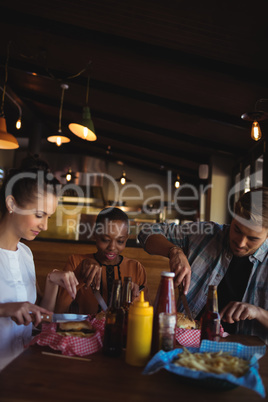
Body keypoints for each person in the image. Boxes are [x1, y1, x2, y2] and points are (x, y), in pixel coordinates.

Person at [138, 187, 268, 344]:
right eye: (237, 229)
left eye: (252, 238)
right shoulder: (206, 233)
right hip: (184, 346)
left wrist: (259, 313)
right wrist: (174, 251)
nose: (241, 243)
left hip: (246, 356)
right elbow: (147, 230)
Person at [0, 156, 78, 370]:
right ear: (11, 204)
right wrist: (4, 309)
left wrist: (52, 282)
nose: (44, 226)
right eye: (39, 215)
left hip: (20, 370)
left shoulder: (25, 254)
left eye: (49, 217)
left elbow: (40, 319)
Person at [55, 207, 148, 314]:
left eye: (120, 241)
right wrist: (79, 274)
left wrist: (134, 298)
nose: (112, 247)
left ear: (126, 239)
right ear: (95, 234)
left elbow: (145, 314)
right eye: (105, 240)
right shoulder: (75, 261)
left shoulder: (136, 268)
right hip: (83, 329)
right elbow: (59, 311)